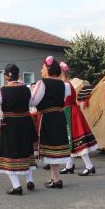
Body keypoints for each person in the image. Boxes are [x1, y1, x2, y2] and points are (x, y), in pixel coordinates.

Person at [0, 64, 38, 195]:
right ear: (18, 75)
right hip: (26, 122)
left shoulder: (2, 91)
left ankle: (16, 186)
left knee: (8, 153)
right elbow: (32, 103)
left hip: (10, 124)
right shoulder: (27, 89)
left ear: (5, 76)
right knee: (27, 151)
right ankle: (30, 180)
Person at [30, 56, 71, 188]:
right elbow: (64, 100)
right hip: (59, 116)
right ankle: (54, 178)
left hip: (47, 117)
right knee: (56, 148)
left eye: (42, 67)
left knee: (51, 148)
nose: (41, 70)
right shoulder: (63, 84)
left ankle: (57, 179)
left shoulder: (42, 83)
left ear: (48, 68)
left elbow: (33, 101)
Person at [59, 62, 98, 176]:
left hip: (70, 112)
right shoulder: (66, 84)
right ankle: (69, 165)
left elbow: (62, 100)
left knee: (74, 139)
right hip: (70, 111)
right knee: (69, 139)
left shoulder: (65, 85)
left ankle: (89, 166)